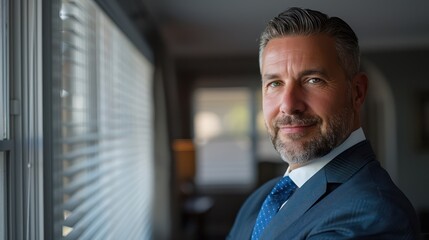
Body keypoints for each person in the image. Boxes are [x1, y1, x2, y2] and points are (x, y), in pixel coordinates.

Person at [228, 7, 420, 240]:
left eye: (312, 80)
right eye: (275, 84)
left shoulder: (372, 213)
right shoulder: (260, 199)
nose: (288, 105)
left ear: (357, 92)